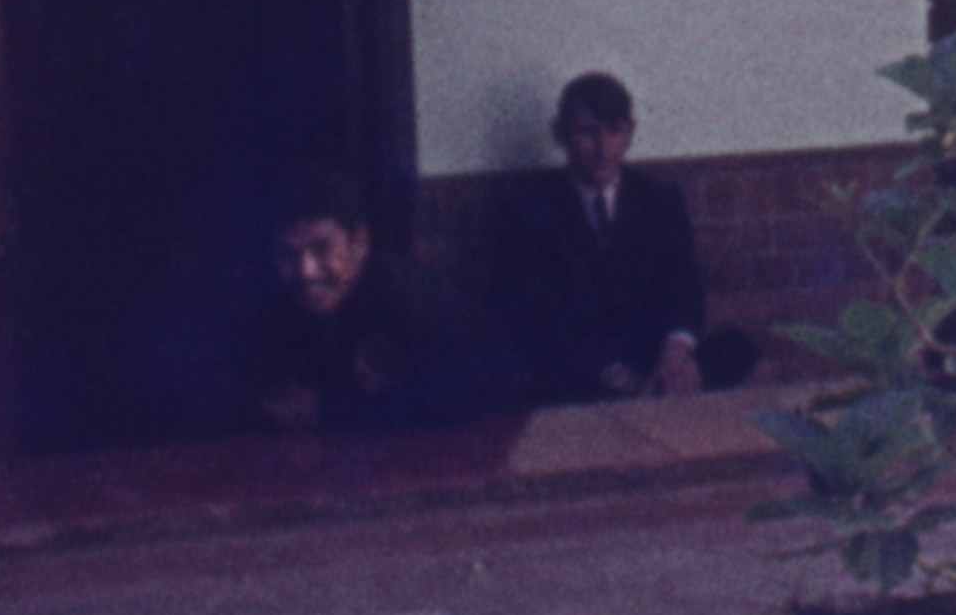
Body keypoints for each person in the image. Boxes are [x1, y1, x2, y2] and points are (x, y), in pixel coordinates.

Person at [494, 70, 711, 405]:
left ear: (630, 133)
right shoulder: (531, 207)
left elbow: (683, 283)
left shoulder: (659, 200)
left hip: (649, 354)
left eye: (614, 131)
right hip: (576, 365)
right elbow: (539, 314)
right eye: (588, 132)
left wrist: (675, 353)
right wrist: (618, 376)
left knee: (734, 348)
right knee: (521, 371)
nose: (603, 149)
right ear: (561, 133)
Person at [237, 188, 520, 434]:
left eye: (322, 248)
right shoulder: (274, 308)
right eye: (289, 254)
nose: (306, 271)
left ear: (359, 244)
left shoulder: (412, 298)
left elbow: (486, 389)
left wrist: (331, 411)